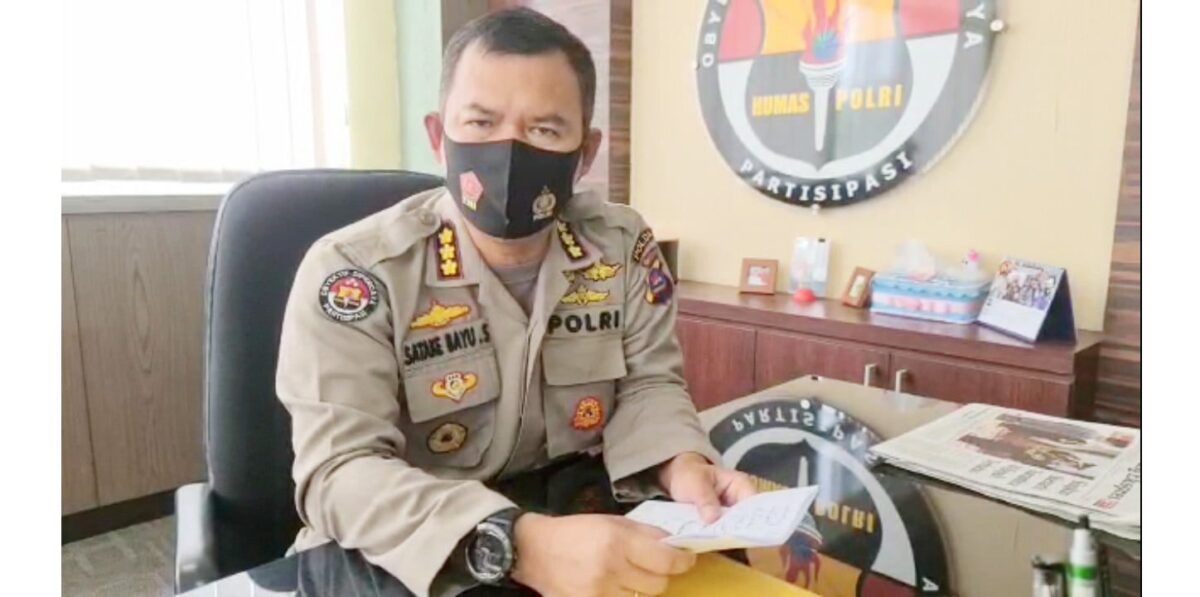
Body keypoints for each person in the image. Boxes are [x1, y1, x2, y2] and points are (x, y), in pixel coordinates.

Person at [275, 8, 756, 597]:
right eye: (480, 123)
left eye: (545, 130)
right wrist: (517, 543)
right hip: (405, 555)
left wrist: (681, 463)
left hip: (572, 522)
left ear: (585, 153)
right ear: (439, 138)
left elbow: (648, 384)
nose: (508, 150)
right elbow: (339, 473)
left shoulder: (622, 247)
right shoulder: (355, 272)